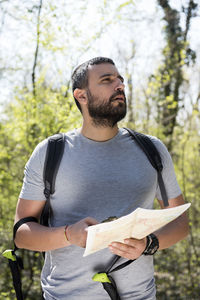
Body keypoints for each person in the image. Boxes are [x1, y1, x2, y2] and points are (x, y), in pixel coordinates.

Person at [14, 57, 189, 300]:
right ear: (81, 96)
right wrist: (68, 234)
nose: (120, 85)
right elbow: (22, 234)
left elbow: (180, 222)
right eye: (107, 80)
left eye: (120, 80)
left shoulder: (152, 150)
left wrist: (148, 243)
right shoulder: (50, 152)